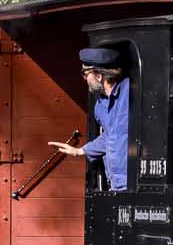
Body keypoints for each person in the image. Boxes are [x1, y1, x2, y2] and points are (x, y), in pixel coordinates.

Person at [50, 45, 130, 192]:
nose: (84, 79)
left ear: (99, 76)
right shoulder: (100, 105)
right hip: (116, 183)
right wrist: (80, 151)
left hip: (133, 182)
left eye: (85, 74)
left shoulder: (129, 92)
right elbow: (110, 136)